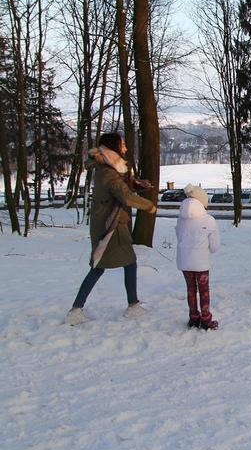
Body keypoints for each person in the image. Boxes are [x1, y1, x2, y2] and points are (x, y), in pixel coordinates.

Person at [65, 133, 157, 326]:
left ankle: (131, 305)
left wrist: (137, 185)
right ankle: (77, 310)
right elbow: (123, 194)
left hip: (114, 223)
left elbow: (121, 187)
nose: (124, 148)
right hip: (110, 226)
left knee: (116, 264)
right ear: (114, 147)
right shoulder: (106, 171)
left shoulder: (110, 167)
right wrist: (149, 206)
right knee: (102, 265)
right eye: (122, 145)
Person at [176, 184, 221, 330]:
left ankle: (193, 318)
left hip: (184, 261)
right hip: (201, 262)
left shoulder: (180, 219)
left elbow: (179, 237)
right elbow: (214, 247)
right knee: (204, 290)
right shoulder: (208, 220)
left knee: (191, 289)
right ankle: (206, 319)